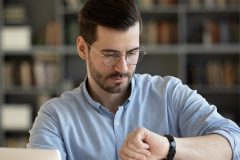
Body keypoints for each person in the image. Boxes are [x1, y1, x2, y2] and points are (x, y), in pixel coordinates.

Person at [27, 0, 240, 160]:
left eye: (132, 53)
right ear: (83, 48)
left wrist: (169, 147)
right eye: (109, 55)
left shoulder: (169, 94)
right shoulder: (55, 117)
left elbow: (234, 141)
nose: (123, 67)